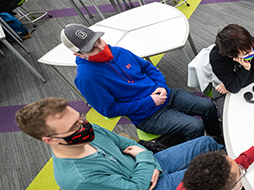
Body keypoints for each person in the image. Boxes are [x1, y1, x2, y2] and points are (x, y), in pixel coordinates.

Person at [15, 97, 224, 190]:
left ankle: (238, 169)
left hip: (147, 167)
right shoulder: (78, 178)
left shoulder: (85, 130)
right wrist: (144, 158)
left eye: (80, 117)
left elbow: (125, 143)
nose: (84, 125)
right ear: (49, 140)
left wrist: (147, 161)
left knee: (205, 144)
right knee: (215, 172)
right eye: (75, 127)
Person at [61, 24, 221, 142]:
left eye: (99, 41)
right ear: (79, 55)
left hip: (165, 95)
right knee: (195, 127)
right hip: (147, 115)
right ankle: (202, 152)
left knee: (208, 106)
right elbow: (109, 110)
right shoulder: (86, 78)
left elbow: (149, 68)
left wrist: (161, 86)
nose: (102, 48)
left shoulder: (118, 51)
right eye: (93, 49)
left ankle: (216, 138)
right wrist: (149, 101)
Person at [210, 24, 254, 95]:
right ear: (231, 55)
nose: (251, 51)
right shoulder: (217, 59)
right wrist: (246, 69)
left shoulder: (249, 42)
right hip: (222, 74)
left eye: (251, 47)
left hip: (236, 76)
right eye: (246, 52)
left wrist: (234, 84)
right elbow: (234, 88)